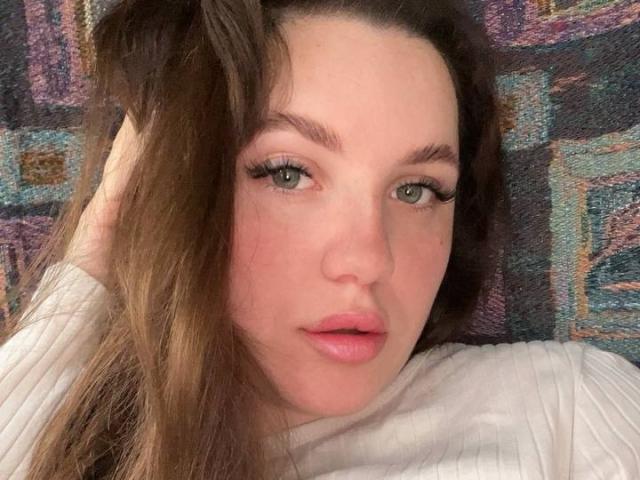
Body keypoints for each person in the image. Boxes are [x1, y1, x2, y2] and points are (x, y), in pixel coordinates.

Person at [1, 0, 639, 479]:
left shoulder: (568, 410)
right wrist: (101, 244)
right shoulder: (101, 441)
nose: (368, 259)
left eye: (417, 189)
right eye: (288, 173)